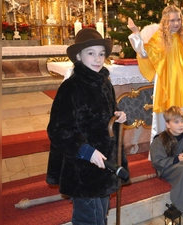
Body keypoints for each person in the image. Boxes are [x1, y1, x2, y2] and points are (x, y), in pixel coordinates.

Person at [46, 28, 128, 225]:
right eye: (91, 53)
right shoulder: (71, 87)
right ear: (78, 56)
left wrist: (118, 116)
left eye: (101, 54)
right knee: (88, 219)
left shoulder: (104, 83)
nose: (97, 59)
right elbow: (58, 130)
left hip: (104, 164)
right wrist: (86, 151)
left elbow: (107, 115)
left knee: (101, 215)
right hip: (83, 168)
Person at [127, 5, 183, 142]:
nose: (176, 23)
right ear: (165, 21)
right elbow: (143, 52)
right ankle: (163, 150)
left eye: (178, 20)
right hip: (166, 84)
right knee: (165, 115)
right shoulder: (159, 39)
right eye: (172, 20)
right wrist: (136, 33)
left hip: (182, 84)